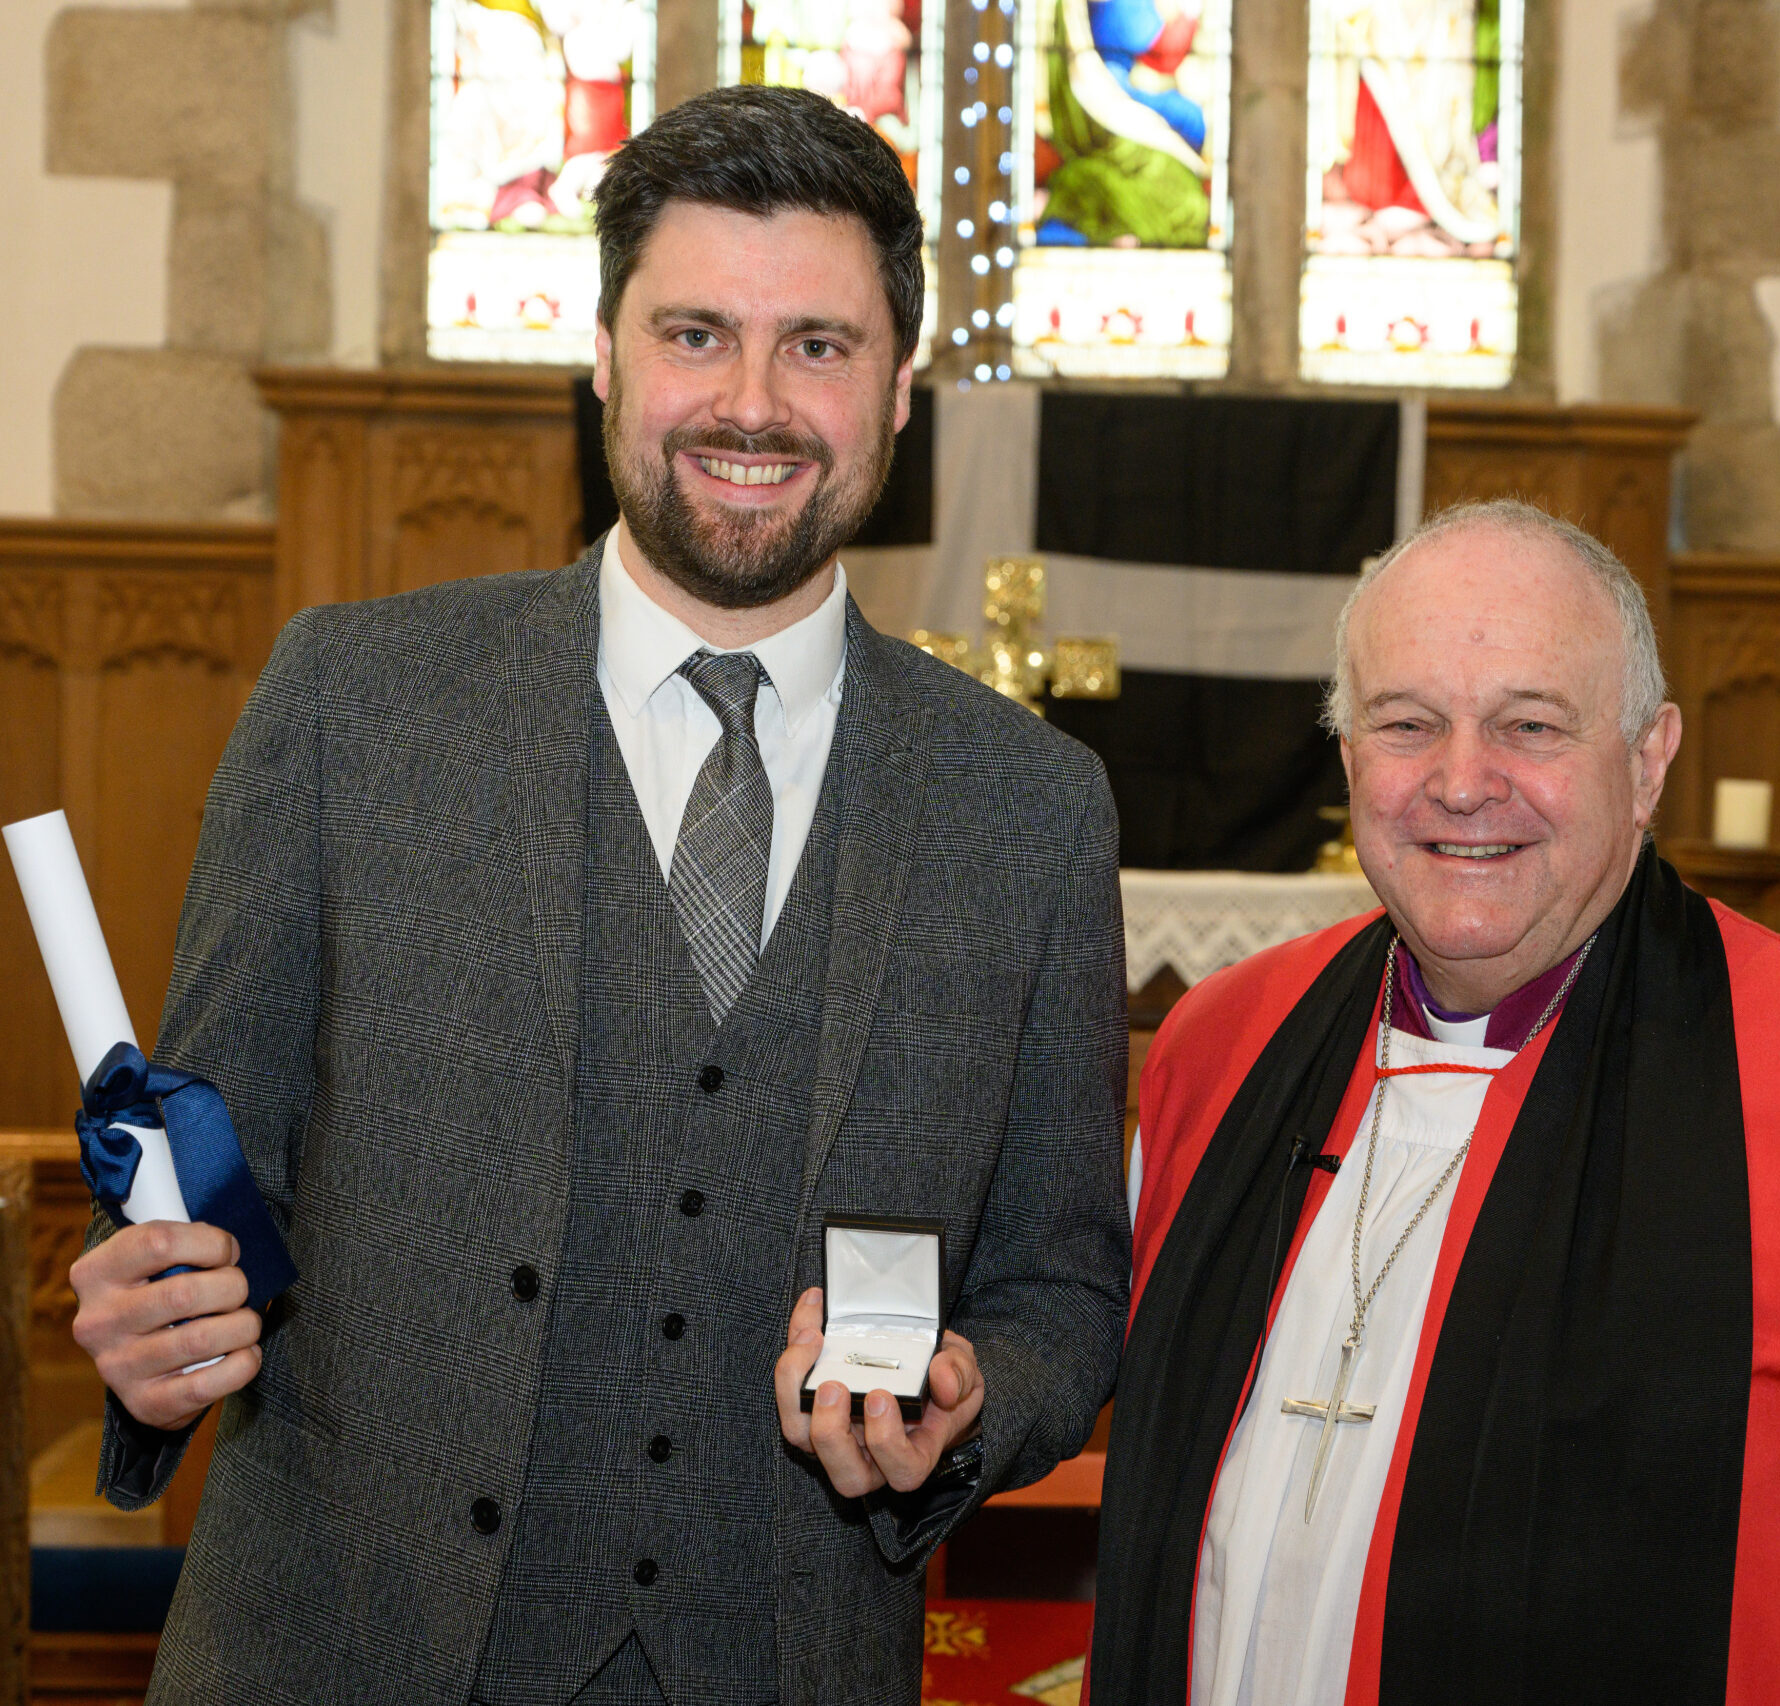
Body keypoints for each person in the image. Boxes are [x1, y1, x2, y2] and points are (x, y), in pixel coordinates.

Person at [68, 86, 1130, 1706]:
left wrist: (977, 1397)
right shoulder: (353, 709)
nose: (753, 404)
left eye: (819, 346)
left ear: (901, 389)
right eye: (696, 334)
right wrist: (153, 1323)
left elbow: (1062, 1286)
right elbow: (201, 1182)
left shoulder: (1029, 808)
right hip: (353, 1649)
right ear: (605, 358)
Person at [1095, 499, 1780, 1705]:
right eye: (1406, 723)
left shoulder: (1761, 1058)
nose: (1462, 783)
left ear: (1648, 759)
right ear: (1348, 757)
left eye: (1531, 725)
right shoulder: (1221, 1042)